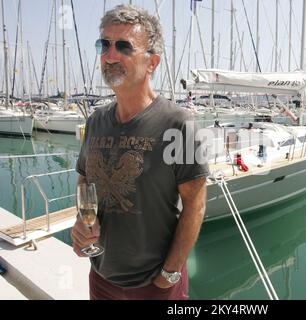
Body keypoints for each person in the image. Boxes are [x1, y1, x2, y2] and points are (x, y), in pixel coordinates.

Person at [71, 4, 209, 300]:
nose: (110, 55)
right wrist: (81, 224)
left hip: (155, 285)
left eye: (123, 46)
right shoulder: (95, 121)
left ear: (152, 63)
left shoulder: (178, 124)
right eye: (104, 44)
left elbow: (195, 204)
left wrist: (169, 274)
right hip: (101, 277)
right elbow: (85, 179)